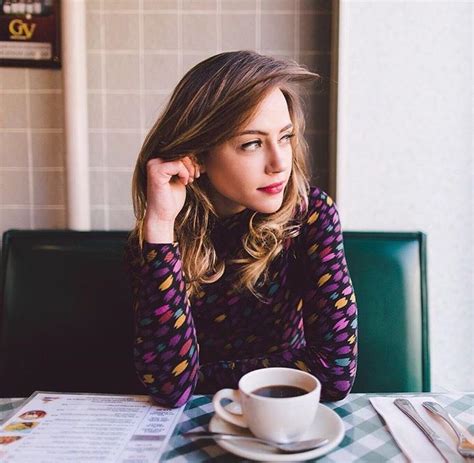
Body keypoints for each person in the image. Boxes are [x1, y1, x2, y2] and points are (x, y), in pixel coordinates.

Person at [126, 50, 358, 409]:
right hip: (195, 424)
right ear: (198, 154)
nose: (280, 164)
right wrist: (159, 226)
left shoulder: (310, 215)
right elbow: (171, 388)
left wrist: (201, 375)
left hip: (283, 412)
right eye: (252, 143)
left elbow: (335, 373)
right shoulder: (161, 234)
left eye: (285, 137)